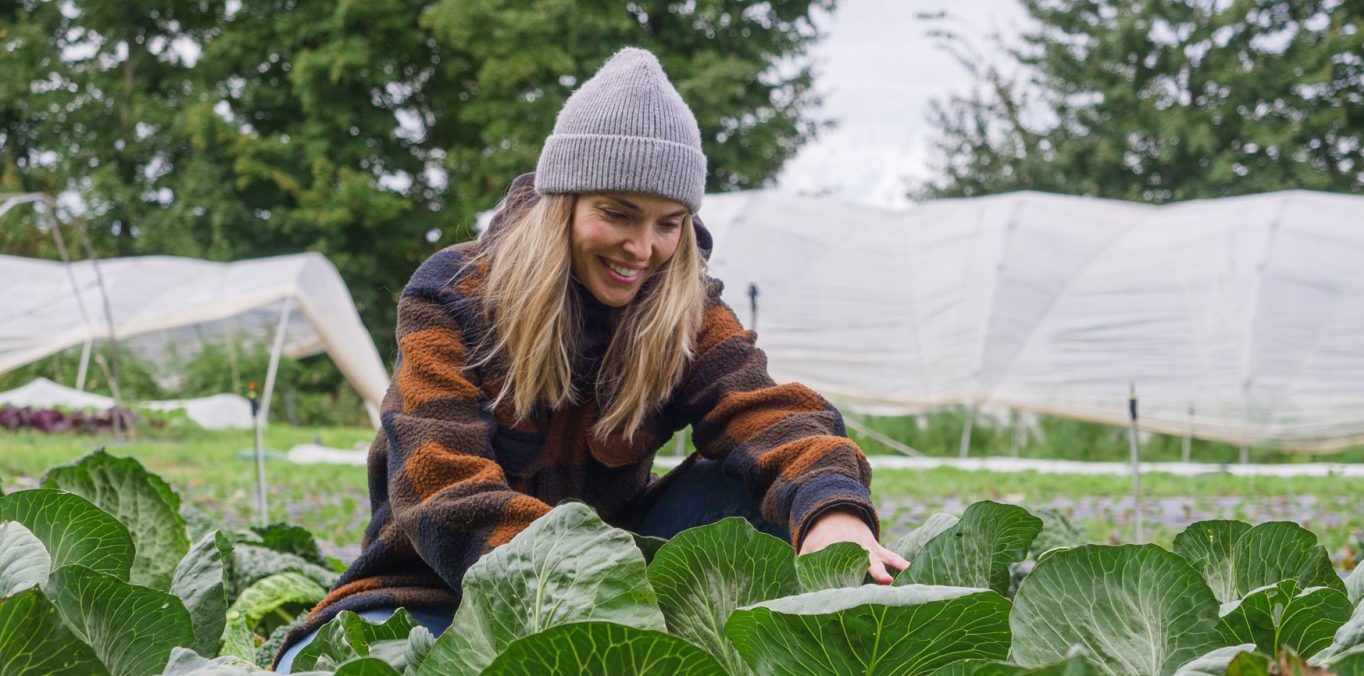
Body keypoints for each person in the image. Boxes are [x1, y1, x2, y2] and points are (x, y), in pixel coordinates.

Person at [273, 47, 906, 671]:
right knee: (319, 665)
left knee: (756, 481)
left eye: (670, 223)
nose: (643, 248)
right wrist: (586, 585)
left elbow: (765, 411)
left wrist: (833, 514)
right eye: (618, 214)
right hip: (438, 589)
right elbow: (442, 484)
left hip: (613, 586)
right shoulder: (454, 295)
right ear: (563, 203)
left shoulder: (682, 306)